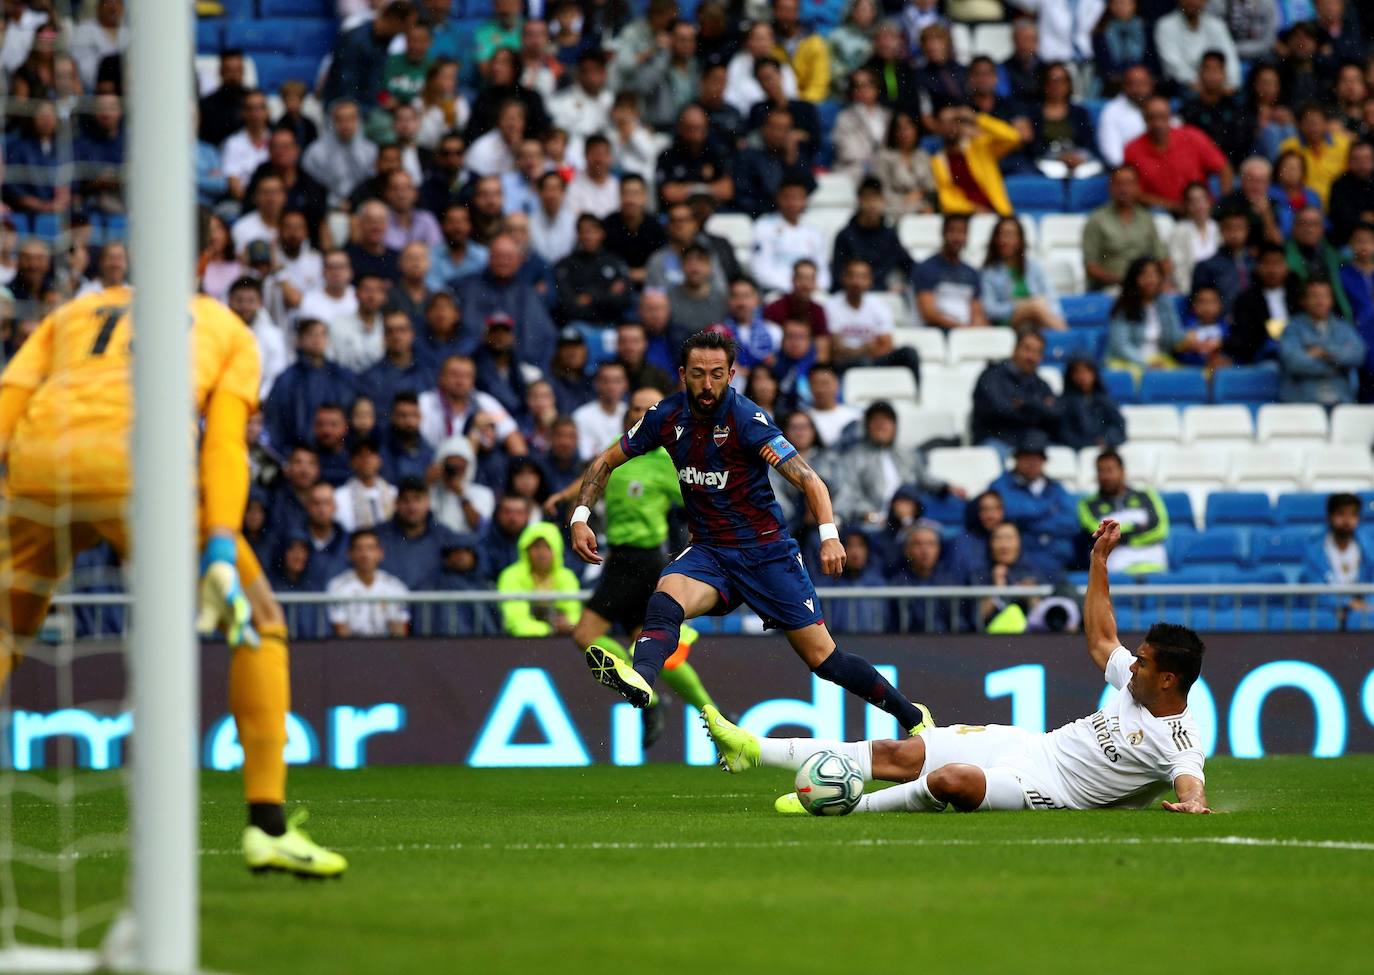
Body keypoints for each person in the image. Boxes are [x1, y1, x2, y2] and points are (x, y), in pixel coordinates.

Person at [0, 288, 346, 875]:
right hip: (143, 470)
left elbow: (9, 402)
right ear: (209, 251)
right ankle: (268, 827)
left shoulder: (72, 314)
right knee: (260, 620)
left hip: (39, 465)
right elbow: (223, 444)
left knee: (9, 630)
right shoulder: (226, 326)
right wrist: (217, 541)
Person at [706, 519, 1211, 816]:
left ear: (1168, 678)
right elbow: (1102, 638)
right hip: (1031, 745)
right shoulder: (1135, 680)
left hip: (1047, 792)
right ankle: (753, 748)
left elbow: (1190, 780)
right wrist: (1098, 562)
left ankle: (843, 804)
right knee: (903, 752)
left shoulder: (1180, 740)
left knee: (951, 780)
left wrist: (1191, 803)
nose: (1133, 663)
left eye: (1143, 662)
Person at [568, 331, 934, 736]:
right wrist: (580, 516)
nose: (707, 385)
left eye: (717, 374)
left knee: (826, 662)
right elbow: (606, 460)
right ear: (682, 374)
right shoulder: (664, 417)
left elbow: (810, 480)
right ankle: (643, 681)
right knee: (665, 597)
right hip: (711, 552)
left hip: (767, 554)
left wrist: (829, 535)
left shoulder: (746, 419)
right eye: (698, 374)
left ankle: (913, 717)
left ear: (731, 374)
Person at [547, 387, 717, 744]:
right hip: (620, 558)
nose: (642, 414)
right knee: (655, 649)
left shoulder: (669, 459)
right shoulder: (621, 446)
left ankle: (650, 699)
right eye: (636, 408)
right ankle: (713, 714)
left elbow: (698, 495)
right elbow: (598, 472)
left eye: (648, 408)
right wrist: (567, 496)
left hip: (642, 560)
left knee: (586, 635)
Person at [833, 401, 954, 526]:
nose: (881, 426)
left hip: (912, 516)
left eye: (886, 421)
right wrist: (869, 514)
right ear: (867, 427)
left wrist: (946, 487)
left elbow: (924, 478)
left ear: (895, 426)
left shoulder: (908, 454)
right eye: (876, 421)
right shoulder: (852, 458)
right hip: (873, 521)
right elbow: (848, 493)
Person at [990, 430, 1078, 570]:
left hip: (1058, 561)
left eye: (1037, 458)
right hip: (1020, 563)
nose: (1032, 463)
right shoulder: (1000, 485)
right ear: (1016, 459)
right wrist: (1049, 510)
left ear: (1044, 461)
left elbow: (1071, 522)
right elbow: (1009, 513)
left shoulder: (1056, 488)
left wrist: (1028, 523)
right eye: (1026, 457)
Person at [825, 258, 921, 386]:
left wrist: (858, 351)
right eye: (852, 276)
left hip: (872, 360)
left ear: (870, 281)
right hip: (843, 364)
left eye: (862, 277)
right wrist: (866, 349)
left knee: (909, 353)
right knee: (861, 362)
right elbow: (835, 349)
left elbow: (887, 345)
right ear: (844, 278)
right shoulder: (831, 306)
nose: (857, 282)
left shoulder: (879, 306)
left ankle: (916, 395)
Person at [1078, 450, 1169, 575]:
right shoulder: (1087, 505)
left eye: (1110, 470)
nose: (1105, 476)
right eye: (1100, 471)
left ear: (1122, 472)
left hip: (1152, 559)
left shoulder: (1146, 496)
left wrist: (1120, 535)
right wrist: (1138, 528)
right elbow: (1099, 534)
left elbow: (1160, 529)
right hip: (1115, 563)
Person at [971, 329, 1060, 456]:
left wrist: (1023, 404)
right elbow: (999, 409)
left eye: (1037, 352)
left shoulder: (1041, 384)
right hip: (997, 440)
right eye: (1027, 349)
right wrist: (1038, 407)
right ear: (1015, 349)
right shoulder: (992, 376)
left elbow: (1055, 413)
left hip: (1031, 443)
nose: (1031, 357)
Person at [1279, 280, 1367, 406]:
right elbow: (1294, 362)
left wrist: (1322, 352)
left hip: (1340, 400)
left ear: (1332, 300)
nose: (1320, 302)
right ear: (1304, 300)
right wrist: (1336, 364)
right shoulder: (1292, 328)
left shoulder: (1343, 327)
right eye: (1314, 296)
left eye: (1325, 296)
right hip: (1304, 401)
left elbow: (1358, 354)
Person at [1082, 166, 1169, 291]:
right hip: (1111, 286)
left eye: (1129, 184)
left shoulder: (1146, 218)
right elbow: (1090, 268)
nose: (1124, 189)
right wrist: (1126, 282)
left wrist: (1162, 280)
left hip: (1145, 287)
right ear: (1110, 188)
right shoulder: (1096, 220)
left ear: (1137, 187)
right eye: (1119, 184)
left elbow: (1162, 258)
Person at [930, 101, 1023, 217]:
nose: (950, 127)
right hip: (964, 219)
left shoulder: (979, 147)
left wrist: (976, 118)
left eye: (954, 121)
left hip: (998, 213)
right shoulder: (937, 162)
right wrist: (974, 209)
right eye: (945, 122)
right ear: (938, 127)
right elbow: (946, 198)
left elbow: (1013, 137)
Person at [831, 177, 917, 293]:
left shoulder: (889, 235)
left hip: (883, 294)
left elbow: (909, 266)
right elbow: (838, 275)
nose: (872, 204)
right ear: (860, 201)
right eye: (868, 199)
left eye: (877, 199)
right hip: (854, 295)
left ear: (883, 201)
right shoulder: (845, 236)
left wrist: (903, 285)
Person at [497, 522, 582, 637]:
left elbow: (574, 613)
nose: (542, 553)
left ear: (557, 550)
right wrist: (549, 630)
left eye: (548, 546)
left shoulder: (567, 576)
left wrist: (570, 625)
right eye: (536, 546)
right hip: (521, 642)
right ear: (526, 549)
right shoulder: (510, 576)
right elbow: (515, 620)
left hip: (562, 641)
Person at [981, 216, 1065, 331]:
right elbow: (990, 310)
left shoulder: (1034, 268)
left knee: (1039, 307)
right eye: (1001, 235)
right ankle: (1066, 337)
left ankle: (1062, 333)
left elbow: (1051, 298)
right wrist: (1021, 305)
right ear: (995, 239)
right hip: (1006, 322)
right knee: (1035, 306)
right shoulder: (989, 273)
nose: (1005, 240)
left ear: (1020, 240)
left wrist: (1048, 312)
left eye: (1010, 235)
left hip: (1036, 319)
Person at [1106, 258, 1190, 371]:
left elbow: (1175, 338)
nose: (1150, 279)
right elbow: (1121, 346)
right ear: (1134, 279)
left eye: (1154, 274)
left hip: (1159, 360)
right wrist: (1145, 363)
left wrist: (1192, 339)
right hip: (1128, 362)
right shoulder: (1124, 306)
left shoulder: (1165, 303)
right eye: (1144, 275)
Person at [734, 109, 817, 219]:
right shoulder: (748, 157)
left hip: (793, 219)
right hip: (760, 219)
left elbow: (809, 188)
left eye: (785, 129)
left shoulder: (796, 158)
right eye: (775, 128)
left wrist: (792, 160)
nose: (779, 134)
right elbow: (744, 195)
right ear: (764, 129)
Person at [1301, 493, 1374, 618]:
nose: (1347, 521)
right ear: (1330, 517)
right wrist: (1345, 603)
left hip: (1360, 614)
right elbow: (1313, 591)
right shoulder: (1314, 551)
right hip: (1328, 613)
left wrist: (1363, 605)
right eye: (1341, 514)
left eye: (1353, 515)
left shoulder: (1368, 549)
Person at [326, 529, 410, 638]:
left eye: (370, 548)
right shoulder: (337, 586)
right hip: (350, 649)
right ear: (350, 554)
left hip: (387, 648)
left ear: (380, 553)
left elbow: (401, 632)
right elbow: (340, 631)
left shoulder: (395, 586)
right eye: (359, 549)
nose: (365, 555)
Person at [750, 178, 829, 294]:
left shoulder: (815, 232)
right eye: (788, 197)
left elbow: (822, 270)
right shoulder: (763, 226)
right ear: (778, 199)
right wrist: (793, 288)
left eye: (798, 198)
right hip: (777, 292)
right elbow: (760, 270)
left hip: (809, 292)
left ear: (805, 200)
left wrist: (815, 286)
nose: (793, 203)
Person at [553, 214, 632, 327]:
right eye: (583, 232)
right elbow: (568, 306)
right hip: (578, 325)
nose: (588, 236)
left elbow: (623, 300)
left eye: (592, 231)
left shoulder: (615, 262)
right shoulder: (565, 265)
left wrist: (590, 298)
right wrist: (608, 294)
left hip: (611, 324)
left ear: (602, 234)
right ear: (578, 235)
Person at [914, 215, 988, 331]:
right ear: (943, 234)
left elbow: (977, 311)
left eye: (961, 232)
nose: (957, 237)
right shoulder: (927, 268)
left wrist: (976, 328)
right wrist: (961, 329)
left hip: (967, 332)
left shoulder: (972, 273)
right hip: (939, 331)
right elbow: (928, 313)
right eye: (952, 231)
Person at [1153, 0, 1239, 93]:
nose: (1192, 2)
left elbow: (1230, 58)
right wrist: (1199, 83)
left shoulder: (1217, 25)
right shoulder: (1165, 25)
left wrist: (1232, 83)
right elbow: (1172, 65)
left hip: (1217, 85)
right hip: (1183, 86)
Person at [1190, 206, 1253, 316]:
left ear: (1247, 230)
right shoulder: (1206, 266)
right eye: (1229, 228)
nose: (1234, 233)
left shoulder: (1256, 262)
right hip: (1223, 325)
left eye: (1239, 228)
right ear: (1221, 230)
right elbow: (1197, 304)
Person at [874, 111, 936, 218]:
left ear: (916, 130)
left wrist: (920, 194)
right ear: (893, 132)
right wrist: (910, 204)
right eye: (900, 128)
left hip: (924, 207)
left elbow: (931, 185)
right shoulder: (883, 157)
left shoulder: (923, 156)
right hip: (894, 209)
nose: (904, 132)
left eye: (909, 128)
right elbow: (882, 192)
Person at [1059, 358, 1126, 451]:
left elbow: (1118, 426)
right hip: (1077, 451)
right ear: (1071, 376)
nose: (1083, 376)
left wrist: (1106, 439)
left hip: (1105, 449)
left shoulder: (1105, 400)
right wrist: (1090, 443)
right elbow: (1064, 433)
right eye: (1077, 372)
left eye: (1087, 371)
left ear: (1094, 373)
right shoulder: (1064, 401)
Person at [1096, 63, 1152, 168]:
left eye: (1143, 83)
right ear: (1125, 86)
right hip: (1129, 171)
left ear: (1151, 85)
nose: (1139, 88)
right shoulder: (1111, 111)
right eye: (1134, 84)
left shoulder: (1158, 107)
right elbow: (1113, 156)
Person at [335, 440, 397, 534]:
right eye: (360, 455)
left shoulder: (394, 493)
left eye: (371, 454)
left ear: (379, 460)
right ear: (352, 462)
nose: (366, 460)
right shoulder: (339, 497)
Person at [572, 361, 629, 460]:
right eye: (605, 381)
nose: (611, 386)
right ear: (596, 383)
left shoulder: (631, 413)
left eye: (617, 381)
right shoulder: (581, 416)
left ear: (626, 384)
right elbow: (585, 456)